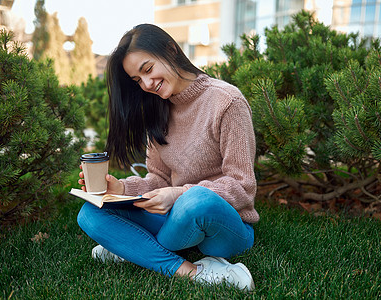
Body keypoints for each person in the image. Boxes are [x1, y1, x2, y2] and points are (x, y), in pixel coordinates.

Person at [77, 24, 259, 291]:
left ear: (170, 50)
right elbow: (159, 178)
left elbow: (242, 186)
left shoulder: (227, 102)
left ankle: (131, 245)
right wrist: (122, 188)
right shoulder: (158, 110)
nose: (147, 84)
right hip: (176, 222)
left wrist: (178, 194)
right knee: (89, 213)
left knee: (194, 201)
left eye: (148, 69)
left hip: (224, 226)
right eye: (138, 80)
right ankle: (191, 271)